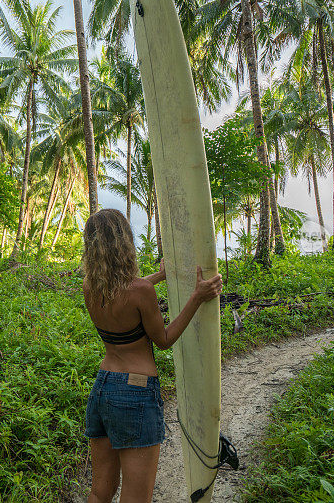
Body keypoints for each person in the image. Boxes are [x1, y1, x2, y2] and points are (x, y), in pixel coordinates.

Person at [82, 209, 223, 502]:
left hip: (103, 386)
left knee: (100, 492)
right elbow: (164, 340)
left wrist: (158, 276)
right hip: (134, 392)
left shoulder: (91, 288)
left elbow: (126, 291)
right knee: (137, 496)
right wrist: (197, 297)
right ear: (125, 242)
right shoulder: (140, 291)